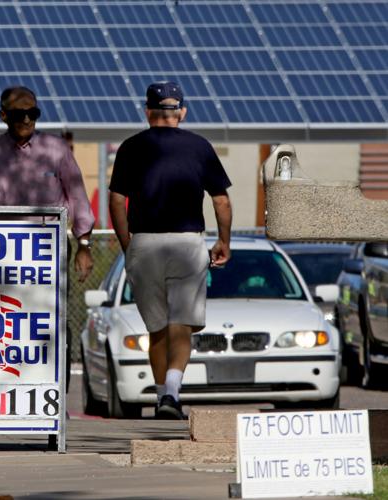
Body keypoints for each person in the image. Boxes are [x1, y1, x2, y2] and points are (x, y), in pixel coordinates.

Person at [109, 81, 232, 419]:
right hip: (187, 241)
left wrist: (126, 244)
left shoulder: (130, 147)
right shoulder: (200, 147)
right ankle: (173, 394)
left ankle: (162, 393)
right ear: (183, 111)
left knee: (157, 326)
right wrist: (224, 241)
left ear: (147, 111)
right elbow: (220, 200)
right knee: (182, 322)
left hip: (144, 242)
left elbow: (117, 201)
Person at [0, 86, 96, 392]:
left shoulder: (56, 149)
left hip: (49, 254)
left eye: (32, 113)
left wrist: (84, 245)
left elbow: (77, 198)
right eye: (19, 114)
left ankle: (55, 396)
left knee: (53, 322)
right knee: (3, 325)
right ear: (3, 116)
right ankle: (7, 391)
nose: (26, 119)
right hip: (1, 257)